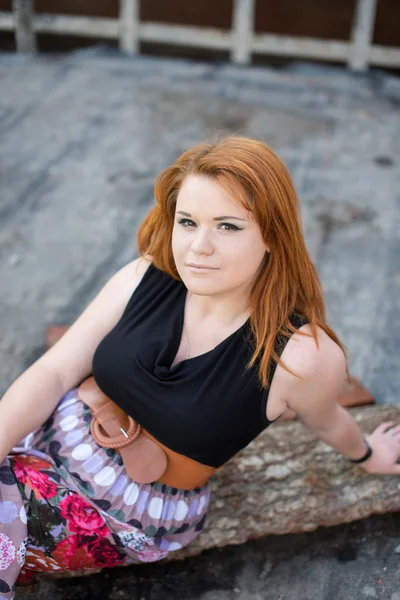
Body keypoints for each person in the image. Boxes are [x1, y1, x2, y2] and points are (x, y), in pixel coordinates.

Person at [0, 136, 399, 597]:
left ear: (271, 234)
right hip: (46, 439)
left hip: (116, 508)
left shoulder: (299, 355)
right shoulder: (143, 277)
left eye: (227, 227)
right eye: (188, 221)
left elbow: (325, 418)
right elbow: (54, 372)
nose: (198, 248)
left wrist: (366, 455)